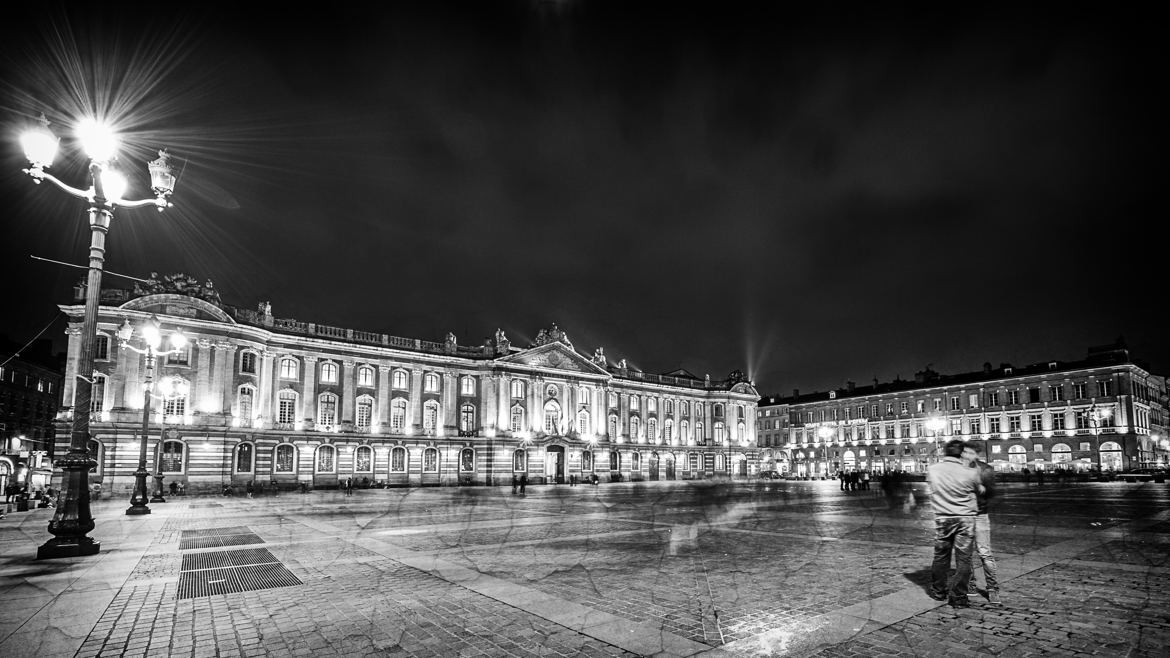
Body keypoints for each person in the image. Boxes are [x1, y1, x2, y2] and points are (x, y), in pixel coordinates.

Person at [927, 439, 983, 608]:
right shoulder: (970, 472)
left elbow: (932, 489)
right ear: (961, 453)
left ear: (945, 452)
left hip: (943, 518)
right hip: (965, 519)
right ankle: (958, 596)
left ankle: (939, 591)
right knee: (964, 558)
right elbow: (978, 490)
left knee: (941, 556)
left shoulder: (933, 469)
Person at [965, 444, 1001, 605]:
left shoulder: (985, 469)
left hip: (979, 515)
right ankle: (971, 585)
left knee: (985, 554)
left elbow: (992, 492)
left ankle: (993, 589)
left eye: (969, 452)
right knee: (965, 555)